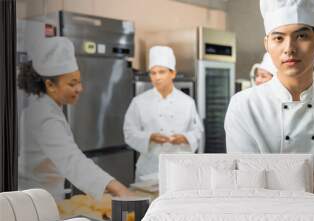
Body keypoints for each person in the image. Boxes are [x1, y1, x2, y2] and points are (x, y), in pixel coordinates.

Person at [224, 0, 314, 197]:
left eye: (301, 36)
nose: (289, 48)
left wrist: (274, 181)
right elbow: (246, 183)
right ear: (267, 44)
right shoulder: (244, 106)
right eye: (278, 38)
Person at [18, 37, 132, 201]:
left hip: (47, 196)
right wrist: (120, 190)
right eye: (72, 84)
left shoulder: (48, 106)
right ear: (50, 85)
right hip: (35, 201)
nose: (80, 88)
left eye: (79, 81)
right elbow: (72, 160)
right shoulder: (42, 115)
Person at [123, 46, 203, 182]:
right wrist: (149, 137)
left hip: (180, 169)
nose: (157, 77)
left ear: (173, 74)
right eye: (153, 73)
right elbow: (129, 132)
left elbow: (198, 131)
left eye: (161, 72)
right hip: (149, 169)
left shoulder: (187, 102)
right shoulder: (139, 102)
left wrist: (184, 138)